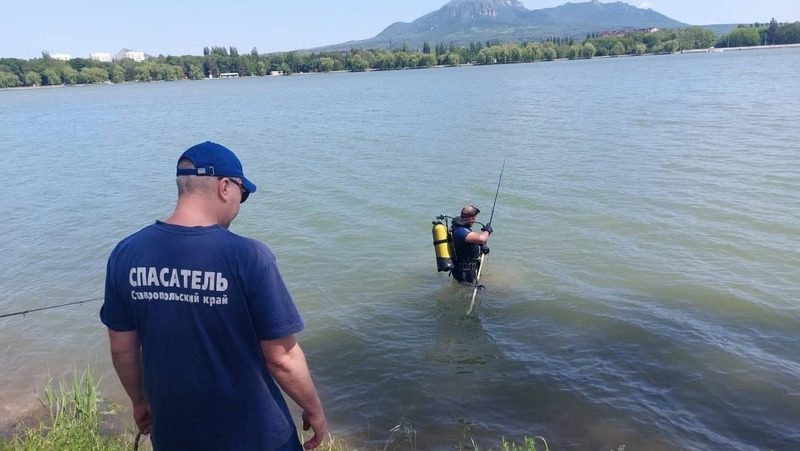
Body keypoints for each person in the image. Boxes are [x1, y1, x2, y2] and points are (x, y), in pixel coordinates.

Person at [100, 141, 327, 450]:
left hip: (176, 434)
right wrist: (313, 408)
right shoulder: (249, 257)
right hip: (255, 437)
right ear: (224, 187)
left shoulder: (126, 254)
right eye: (242, 194)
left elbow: (122, 351)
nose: (239, 202)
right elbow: (283, 358)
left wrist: (140, 401)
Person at [450, 204, 493, 284]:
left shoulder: (462, 228)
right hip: (464, 273)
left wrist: (481, 245)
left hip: (466, 271)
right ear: (470, 218)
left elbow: (472, 241)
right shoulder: (460, 231)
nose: (475, 220)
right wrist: (487, 231)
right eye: (474, 217)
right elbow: (482, 238)